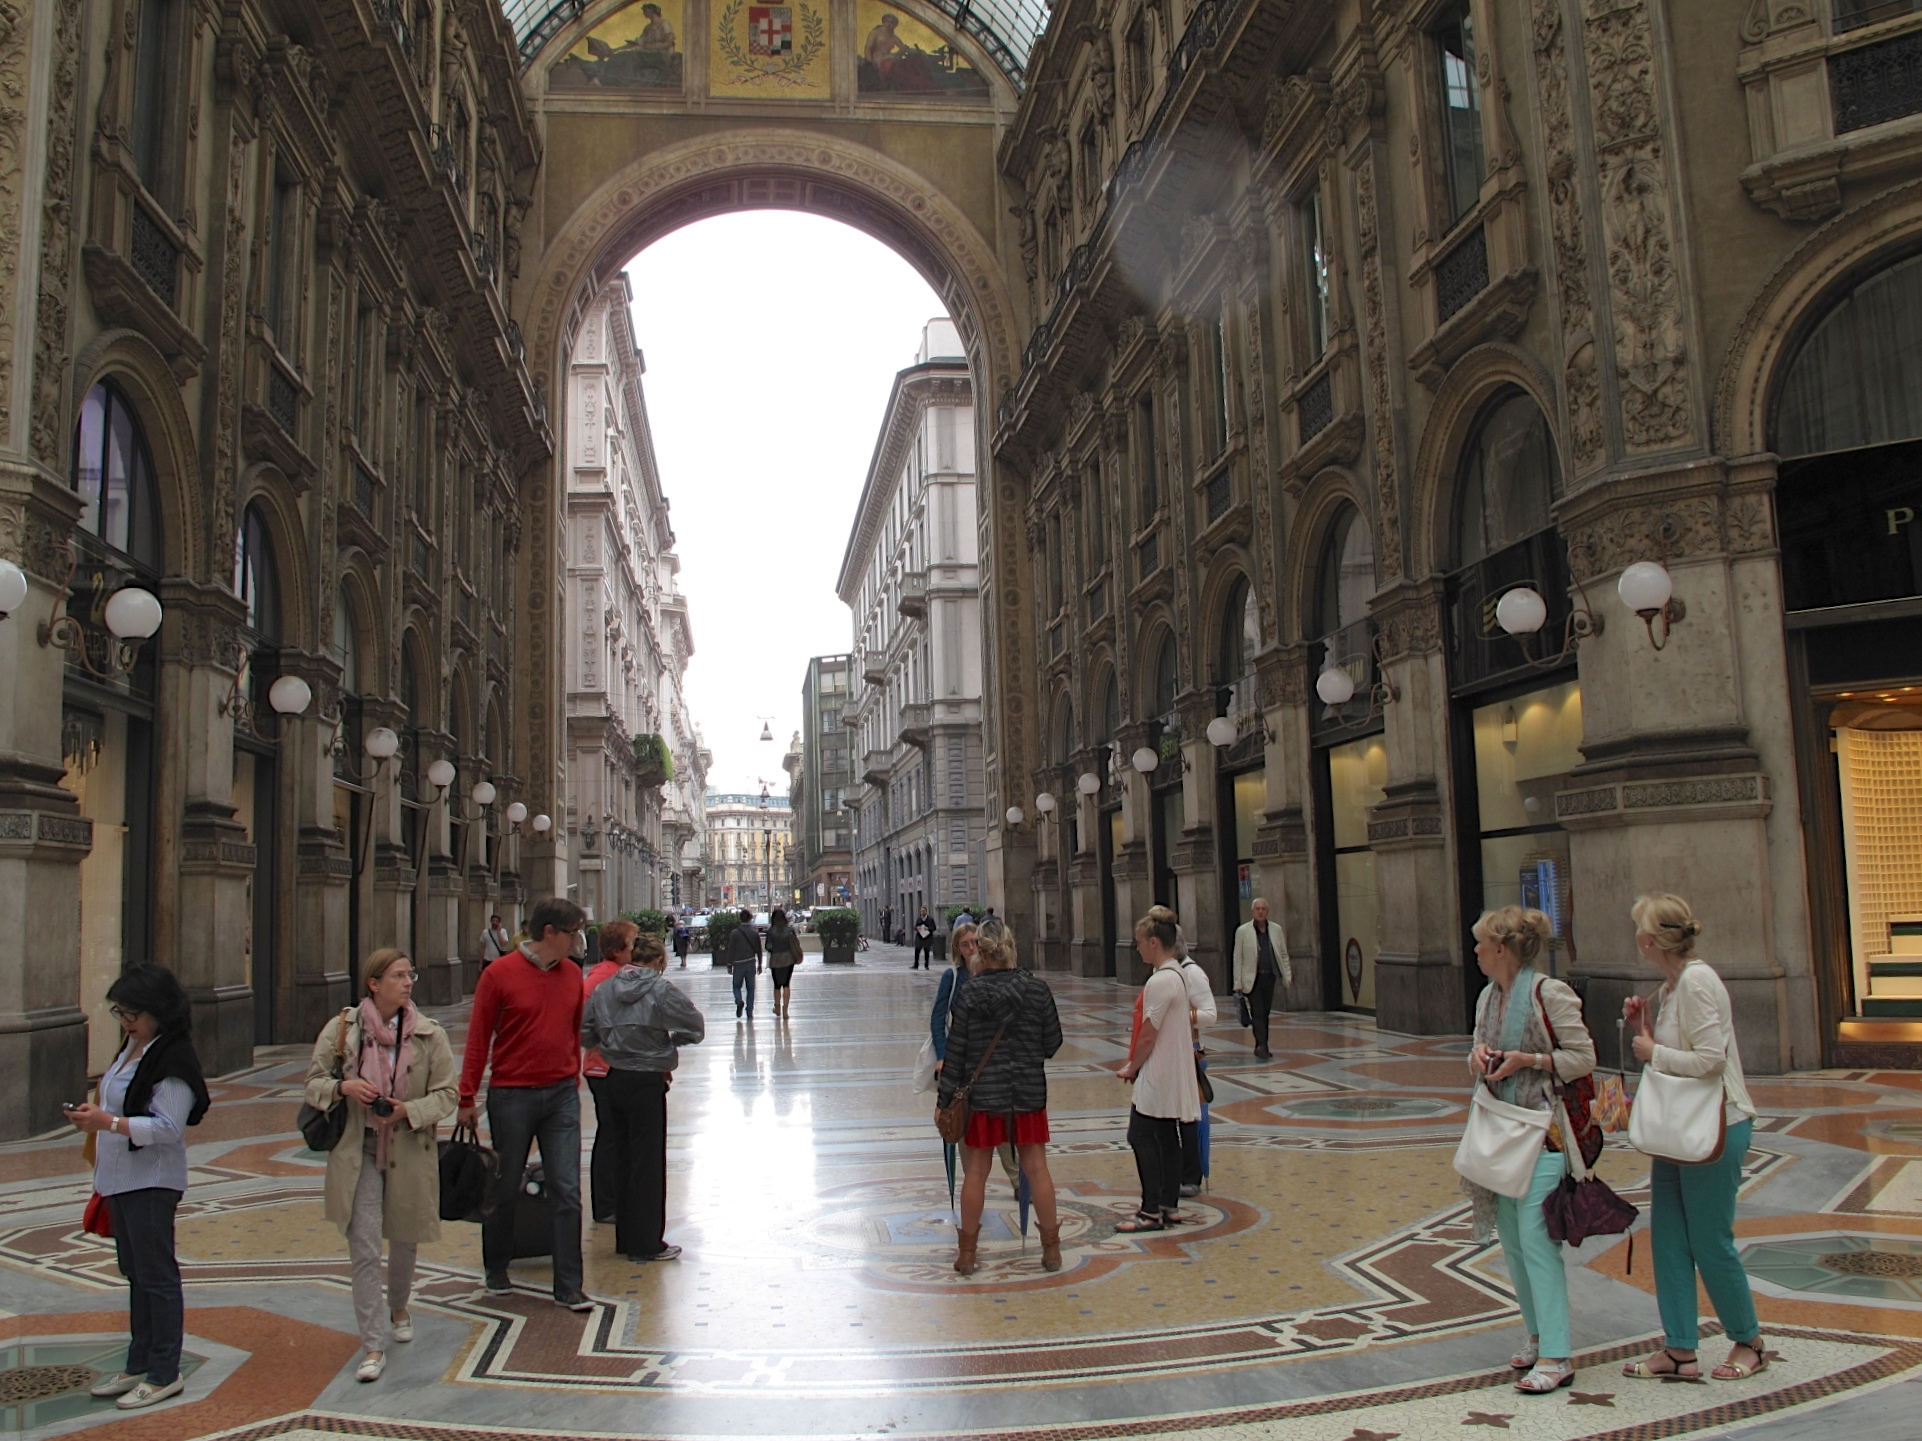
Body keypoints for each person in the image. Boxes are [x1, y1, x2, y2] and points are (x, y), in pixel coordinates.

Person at [1620, 893, 1767, 1383]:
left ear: (1651, 938)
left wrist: (1652, 1054)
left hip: (1716, 1126)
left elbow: (1711, 1060)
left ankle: (1749, 1340)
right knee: (1667, 1239)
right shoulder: (1672, 986)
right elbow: (1676, 1048)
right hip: (1678, 1129)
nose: (1634, 935)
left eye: (1638, 927)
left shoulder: (1698, 981)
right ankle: (1680, 1348)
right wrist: (1644, 1028)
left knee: (1709, 1240)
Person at [305, 949, 457, 1382]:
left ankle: (399, 1305)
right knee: (365, 1246)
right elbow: (313, 1082)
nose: (407, 982)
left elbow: (448, 1093)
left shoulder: (430, 1035)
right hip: (360, 1149)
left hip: (408, 1147)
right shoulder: (343, 1030)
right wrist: (342, 1087)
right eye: (398, 975)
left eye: (410, 975)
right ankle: (372, 1344)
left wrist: (407, 1111)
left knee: (405, 1238)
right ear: (374, 983)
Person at [65, 964, 210, 1410]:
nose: (125, 1021)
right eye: (119, 1011)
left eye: (133, 1012)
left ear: (159, 1010)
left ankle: (165, 1372)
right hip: (118, 1179)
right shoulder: (131, 1047)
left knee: (156, 1276)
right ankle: (137, 1363)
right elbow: (116, 1098)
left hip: (151, 1180)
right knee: (135, 1273)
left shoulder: (173, 1056)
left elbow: (169, 1126)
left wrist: (107, 1121)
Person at [1463, 905, 1596, 1394]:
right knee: (1514, 1243)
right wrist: (1476, 1057)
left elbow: (1584, 1058)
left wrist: (1530, 1060)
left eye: (1480, 943)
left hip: (1544, 1134)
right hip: (1502, 1131)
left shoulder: (1549, 993)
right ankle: (1539, 1334)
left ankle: (1559, 1356)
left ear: (1502, 948)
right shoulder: (1486, 997)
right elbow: (1477, 1046)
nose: (1474, 951)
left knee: (1538, 1243)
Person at [457, 896, 593, 1311]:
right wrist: (466, 1096)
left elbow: (574, 1030)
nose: (578, 941)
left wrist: (572, 1075)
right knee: (504, 1184)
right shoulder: (499, 974)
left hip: (560, 1096)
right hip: (512, 1094)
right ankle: (496, 1265)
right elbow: (479, 1037)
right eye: (573, 933)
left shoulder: (572, 974)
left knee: (567, 1189)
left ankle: (569, 1284)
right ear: (549, 932)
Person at [937, 917, 1065, 1274]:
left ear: (980, 950)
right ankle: (1051, 1250)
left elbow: (958, 1051)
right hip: (1026, 1091)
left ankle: (967, 1254)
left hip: (983, 1098)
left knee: (976, 1173)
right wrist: (1026, 1050)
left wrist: (944, 1101)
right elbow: (1053, 1042)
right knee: (1036, 1168)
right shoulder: (1036, 990)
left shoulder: (970, 993)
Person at [582, 932, 706, 1263]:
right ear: (659, 961)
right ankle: (648, 1241)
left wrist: (610, 1041)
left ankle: (625, 1237)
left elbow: (585, 1031)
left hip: (614, 1078)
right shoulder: (659, 988)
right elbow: (695, 1025)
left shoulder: (604, 988)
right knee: (648, 1162)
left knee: (622, 1155)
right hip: (648, 1080)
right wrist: (666, 1043)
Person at [1115, 907, 1199, 1233]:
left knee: (1140, 1135)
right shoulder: (1177, 973)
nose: (1136, 948)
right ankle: (1169, 1204)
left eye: (1139, 942)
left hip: (1159, 1071)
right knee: (1166, 1135)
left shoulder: (1161, 980)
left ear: (1154, 942)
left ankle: (1150, 1210)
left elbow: (1149, 1032)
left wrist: (1132, 1067)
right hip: (1173, 1067)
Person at [582, 921, 639, 1225]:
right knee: (610, 1136)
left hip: (611, 1065)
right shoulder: (603, 977)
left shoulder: (616, 974)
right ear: (617, 950)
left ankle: (612, 1199)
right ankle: (606, 1204)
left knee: (615, 1134)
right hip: (604, 1067)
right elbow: (581, 1016)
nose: (637, 948)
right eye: (633, 943)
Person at [1173, 927, 1218, 1198]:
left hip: (1190, 1052)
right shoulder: (1166, 973)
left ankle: (1195, 1172)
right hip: (1170, 1052)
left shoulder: (1192, 973)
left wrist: (1179, 1015)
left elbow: (1209, 1014)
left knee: (1193, 1118)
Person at [1231, 898, 1291, 1060]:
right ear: (1253, 911)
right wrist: (1237, 983)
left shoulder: (1276, 930)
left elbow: (1283, 954)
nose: (1260, 911)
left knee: (1265, 1012)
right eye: (1257, 909)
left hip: (1269, 976)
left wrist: (1287, 975)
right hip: (1252, 979)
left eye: (1263, 909)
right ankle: (1261, 1045)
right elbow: (1238, 958)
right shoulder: (1243, 931)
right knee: (1257, 1012)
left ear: (1267, 912)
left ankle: (1262, 1043)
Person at [930, 922, 981, 1075]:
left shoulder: (991, 973)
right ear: (957, 949)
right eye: (965, 945)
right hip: (960, 1051)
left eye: (975, 942)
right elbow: (938, 1018)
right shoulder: (952, 977)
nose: (971, 949)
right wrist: (941, 1055)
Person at [723, 909, 763, 1019]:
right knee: (751, 988)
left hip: (738, 964)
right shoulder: (754, 933)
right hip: (751, 962)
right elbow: (759, 950)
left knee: (736, 986)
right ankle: (749, 1011)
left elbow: (731, 949)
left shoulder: (735, 933)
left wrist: (729, 964)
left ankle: (739, 1000)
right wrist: (760, 964)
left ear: (740, 919)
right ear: (750, 918)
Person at [765, 907, 803, 1018]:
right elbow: (796, 943)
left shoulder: (770, 931)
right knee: (786, 984)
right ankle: (785, 1011)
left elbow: (768, 946)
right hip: (788, 959)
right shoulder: (790, 930)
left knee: (777, 985)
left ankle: (777, 1007)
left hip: (775, 960)